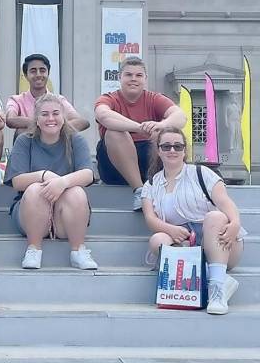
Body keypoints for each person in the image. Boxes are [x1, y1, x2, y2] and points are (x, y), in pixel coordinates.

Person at [141, 127, 246, 315]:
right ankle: (209, 276)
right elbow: (150, 218)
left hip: (219, 239)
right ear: (158, 150)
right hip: (183, 240)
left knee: (215, 216)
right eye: (166, 146)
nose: (172, 151)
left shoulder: (201, 173)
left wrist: (235, 223)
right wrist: (170, 230)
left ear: (184, 150)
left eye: (177, 146)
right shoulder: (151, 183)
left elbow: (225, 202)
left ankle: (216, 291)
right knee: (157, 240)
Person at [4, 93, 98, 270]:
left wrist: (61, 183)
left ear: (63, 117)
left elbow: (87, 174)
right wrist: (45, 175)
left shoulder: (75, 139)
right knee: (33, 190)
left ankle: (78, 251)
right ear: (37, 119)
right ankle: (34, 249)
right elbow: (17, 181)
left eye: (56, 113)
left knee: (77, 192)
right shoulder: (25, 141)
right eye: (44, 114)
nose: (51, 118)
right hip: (30, 213)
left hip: (64, 216)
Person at [94, 56, 186, 211]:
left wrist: (160, 125)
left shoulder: (154, 99)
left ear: (145, 78)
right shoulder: (108, 98)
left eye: (138, 75)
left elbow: (181, 117)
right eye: (128, 75)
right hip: (113, 164)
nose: (133, 79)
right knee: (114, 133)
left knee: (166, 135)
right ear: (120, 77)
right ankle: (139, 192)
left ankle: (171, 188)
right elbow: (103, 116)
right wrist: (138, 127)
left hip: (148, 162)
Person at [6, 54, 89, 139]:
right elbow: (10, 120)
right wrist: (43, 124)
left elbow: (83, 122)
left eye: (42, 70)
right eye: (33, 71)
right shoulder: (16, 100)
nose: (38, 74)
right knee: (21, 132)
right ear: (26, 75)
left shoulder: (58, 100)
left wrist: (54, 127)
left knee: (74, 135)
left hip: (56, 144)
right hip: (30, 146)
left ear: (48, 73)